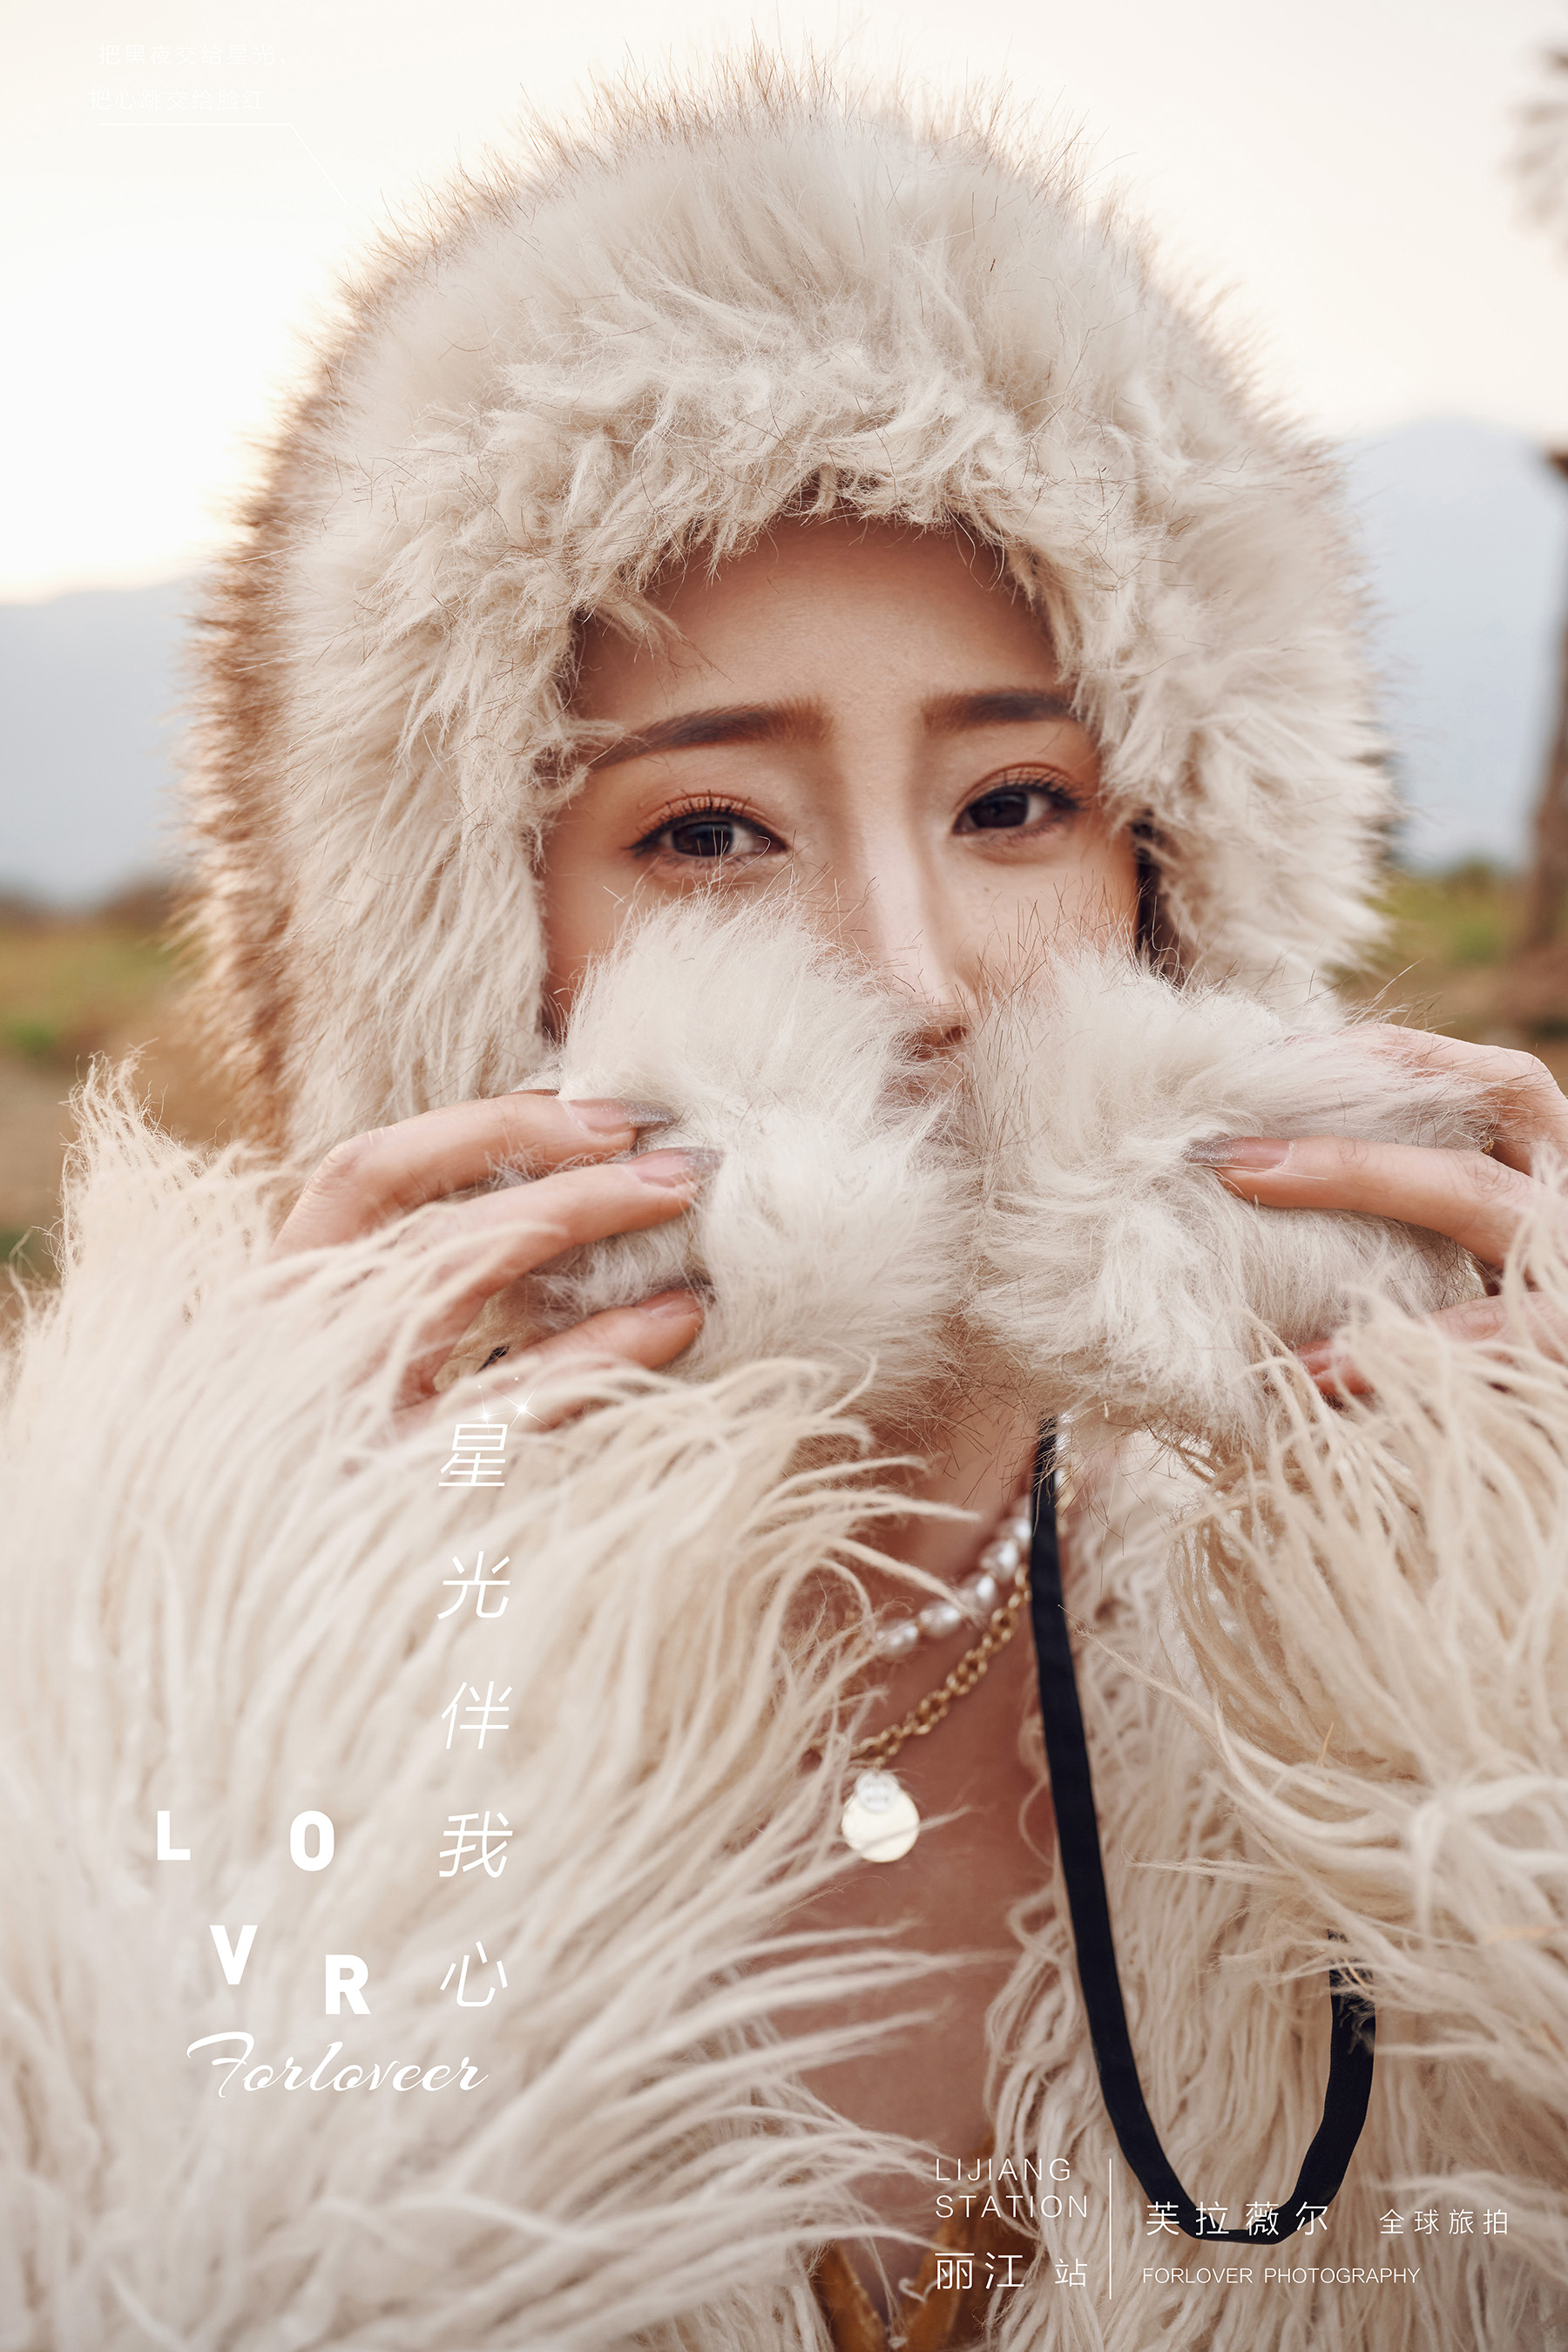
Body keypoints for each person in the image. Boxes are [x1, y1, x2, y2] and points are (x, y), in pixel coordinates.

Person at [3, 60, 1565, 2351]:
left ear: (1176, 893)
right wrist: (219, 1704)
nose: (914, 976)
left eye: (1015, 803)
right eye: (708, 834)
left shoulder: (1408, 1662)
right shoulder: (133, 1709)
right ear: (479, 955)